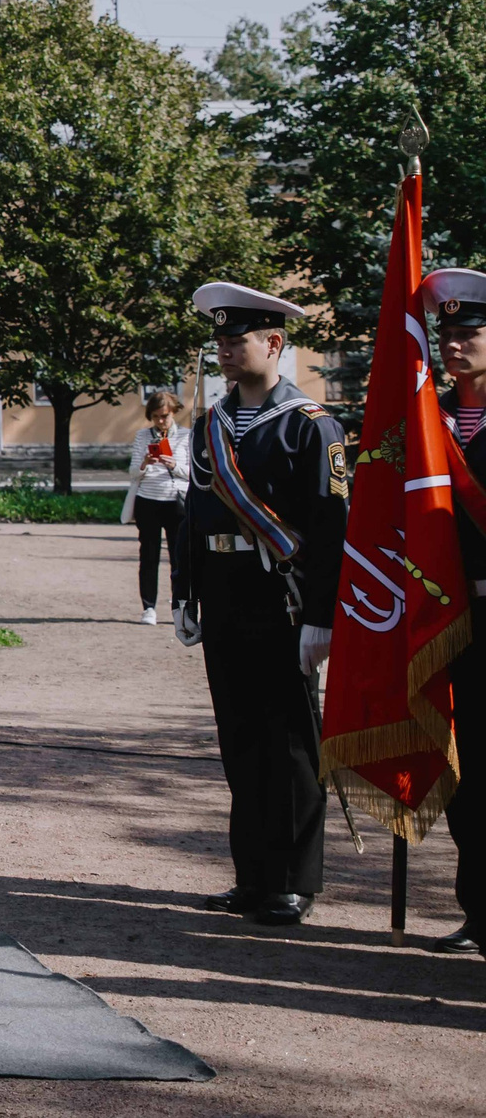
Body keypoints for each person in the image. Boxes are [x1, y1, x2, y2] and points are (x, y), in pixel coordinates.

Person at [169, 281, 348, 929]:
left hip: (284, 598)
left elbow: (331, 531)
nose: (224, 348)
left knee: (292, 746)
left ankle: (294, 881)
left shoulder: (310, 425)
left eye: (236, 337)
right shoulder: (211, 423)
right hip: (223, 594)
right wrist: (185, 592)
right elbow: (194, 513)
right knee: (240, 738)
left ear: (274, 343)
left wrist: (323, 618)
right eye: (219, 338)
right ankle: (252, 875)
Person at [420, 265, 486, 956]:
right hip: (451, 619)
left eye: (470, 331)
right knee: (467, 774)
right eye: (447, 334)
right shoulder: (428, 419)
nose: (455, 345)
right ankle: (479, 911)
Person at [125, 391, 192, 625]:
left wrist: (174, 464)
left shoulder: (186, 436)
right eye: (155, 417)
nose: (160, 421)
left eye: (164, 416)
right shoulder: (143, 436)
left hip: (176, 502)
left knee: (179, 557)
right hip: (148, 501)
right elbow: (133, 473)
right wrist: (145, 462)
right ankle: (149, 607)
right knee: (149, 556)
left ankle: (180, 607)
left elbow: (194, 473)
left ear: (173, 412)